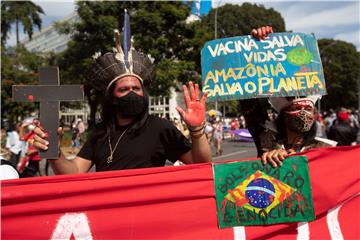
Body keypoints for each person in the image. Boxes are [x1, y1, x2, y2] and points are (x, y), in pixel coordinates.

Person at [31, 27, 211, 174]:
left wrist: (196, 130)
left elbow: (200, 164)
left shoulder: (160, 127)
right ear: (112, 97)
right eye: (124, 89)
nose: (132, 93)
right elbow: (75, 171)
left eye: (136, 88)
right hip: (109, 214)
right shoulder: (100, 132)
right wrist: (54, 151)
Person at [242, 26, 336, 167]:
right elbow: (249, 101)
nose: (304, 113)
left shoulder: (324, 149)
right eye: (297, 107)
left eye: (308, 109)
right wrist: (258, 47)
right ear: (284, 113)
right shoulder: (267, 139)